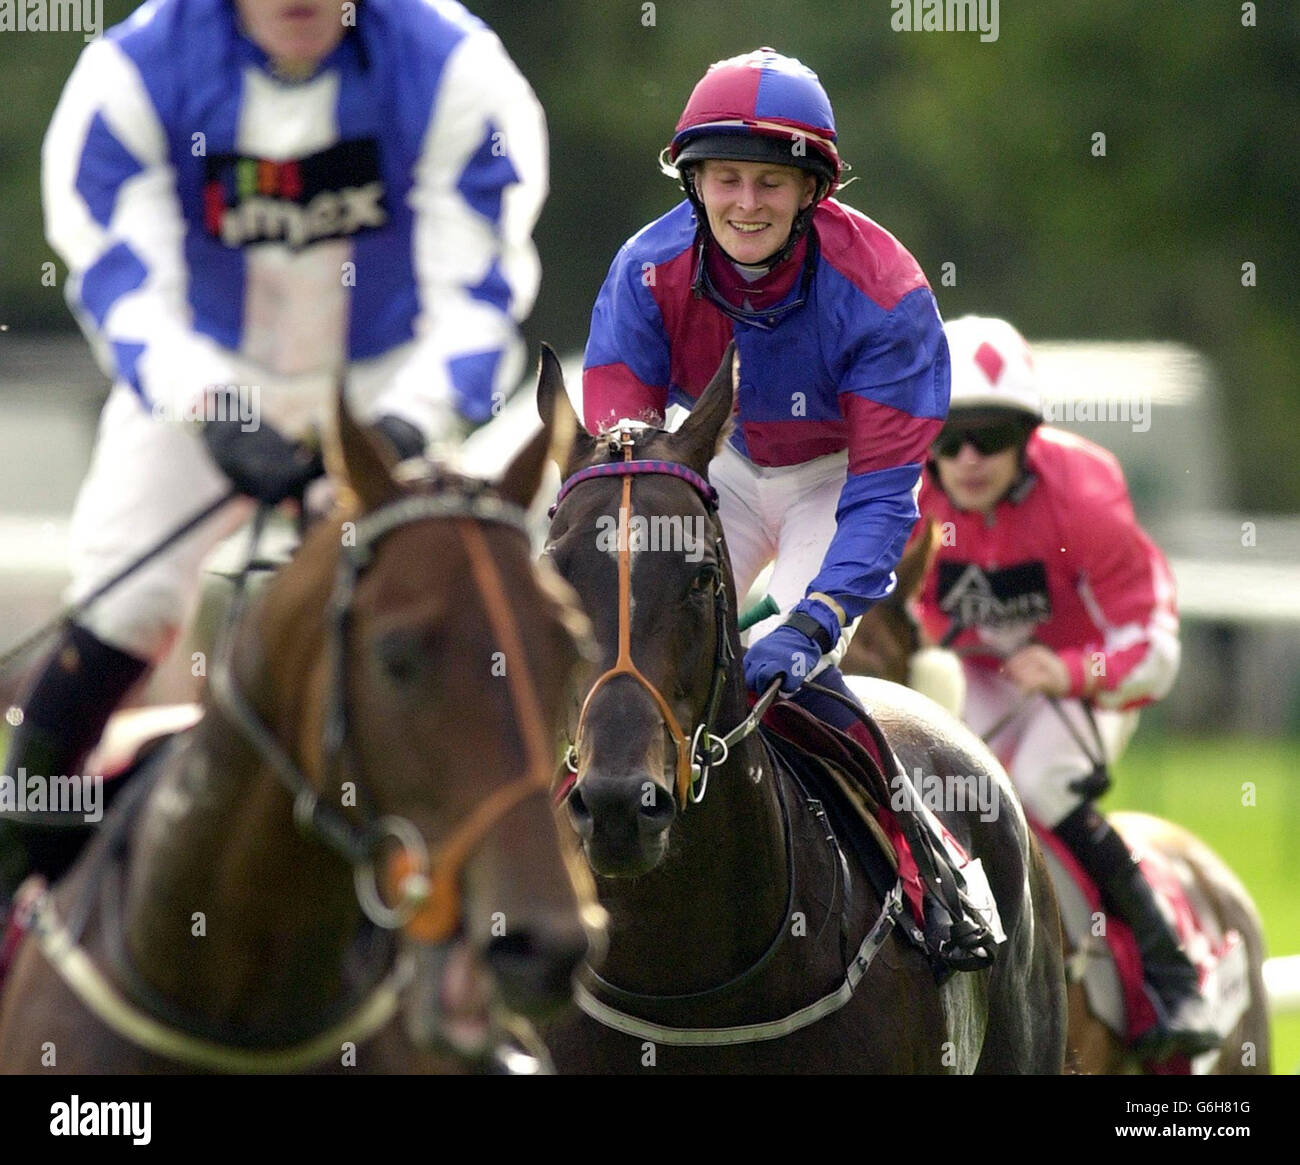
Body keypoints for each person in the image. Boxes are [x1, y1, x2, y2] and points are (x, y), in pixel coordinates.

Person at [0, 0, 547, 906]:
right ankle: (19, 872)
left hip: (385, 385)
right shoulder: (132, 69)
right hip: (204, 377)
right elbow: (118, 275)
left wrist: (404, 428)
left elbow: (481, 289)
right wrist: (214, 409)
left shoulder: (455, 63)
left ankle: (506, 905)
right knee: (121, 603)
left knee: (467, 612)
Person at [582, 46, 949, 751]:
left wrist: (817, 620)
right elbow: (617, 461)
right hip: (722, 472)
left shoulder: (888, 298)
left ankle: (909, 846)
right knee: (623, 642)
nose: (747, 204)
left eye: (771, 182)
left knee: (793, 676)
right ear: (695, 183)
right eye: (727, 178)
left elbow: (880, 497)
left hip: (832, 484)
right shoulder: (644, 273)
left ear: (812, 191)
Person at [914, 313, 1217, 1058]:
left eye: (993, 434)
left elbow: (1155, 642)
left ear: (1030, 436)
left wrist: (1073, 670)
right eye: (950, 437)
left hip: (1082, 679)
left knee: (1038, 782)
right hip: (975, 674)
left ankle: (1172, 972)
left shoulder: (1083, 489)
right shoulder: (904, 488)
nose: (969, 457)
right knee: (931, 776)